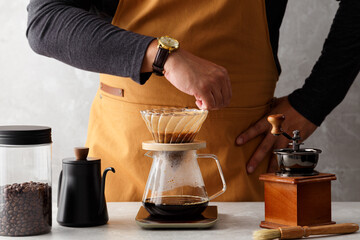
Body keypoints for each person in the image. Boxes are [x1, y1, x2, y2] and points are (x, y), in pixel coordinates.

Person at [27, 0, 360, 201]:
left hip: (240, 169)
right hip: (124, 177)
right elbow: (45, 21)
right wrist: (161, 56)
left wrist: (313, 103)